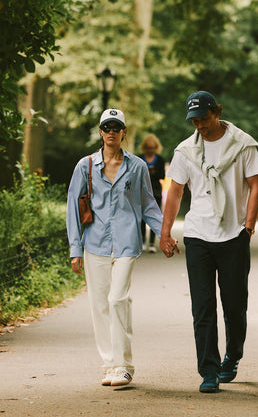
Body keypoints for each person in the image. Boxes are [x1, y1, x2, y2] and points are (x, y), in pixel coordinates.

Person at [160, 91, 258, 393]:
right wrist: (166, 233)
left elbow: (255, 186)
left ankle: (232, 355)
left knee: (234, 304)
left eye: (204, 119)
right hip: (198, 236)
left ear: (216, 113)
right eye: (194, 121)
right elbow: (175, 192)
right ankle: (208, 370)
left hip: (233, 235)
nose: (200, 126)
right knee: (202, 307)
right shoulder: (185, 152)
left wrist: (248, 227)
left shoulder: (243, 145)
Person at [67, 109, 163, 387]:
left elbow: (148, 204)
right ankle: (109, 364)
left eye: (116, 127)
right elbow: (73, 208)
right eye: (106, 127)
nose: (111, 131)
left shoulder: (137, 166)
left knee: (118, 299)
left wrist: (164, 235)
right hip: (94, 242)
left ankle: (124, 365)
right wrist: (75, 249)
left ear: (124, 132)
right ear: (100, 132)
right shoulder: (84, 166)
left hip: (126, 242)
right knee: (99, 305)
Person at [139, 134, 165, 253]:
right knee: (142, 218)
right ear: (144, 148)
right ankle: (143, 241)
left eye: (152, 147)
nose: (150, 150)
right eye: (148, 147)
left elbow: (163, 176)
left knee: (154, 216)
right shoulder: (139, 159)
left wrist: (153, 172)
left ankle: (151, 243)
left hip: (155, 191)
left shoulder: (159, 160)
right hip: (141, 191)